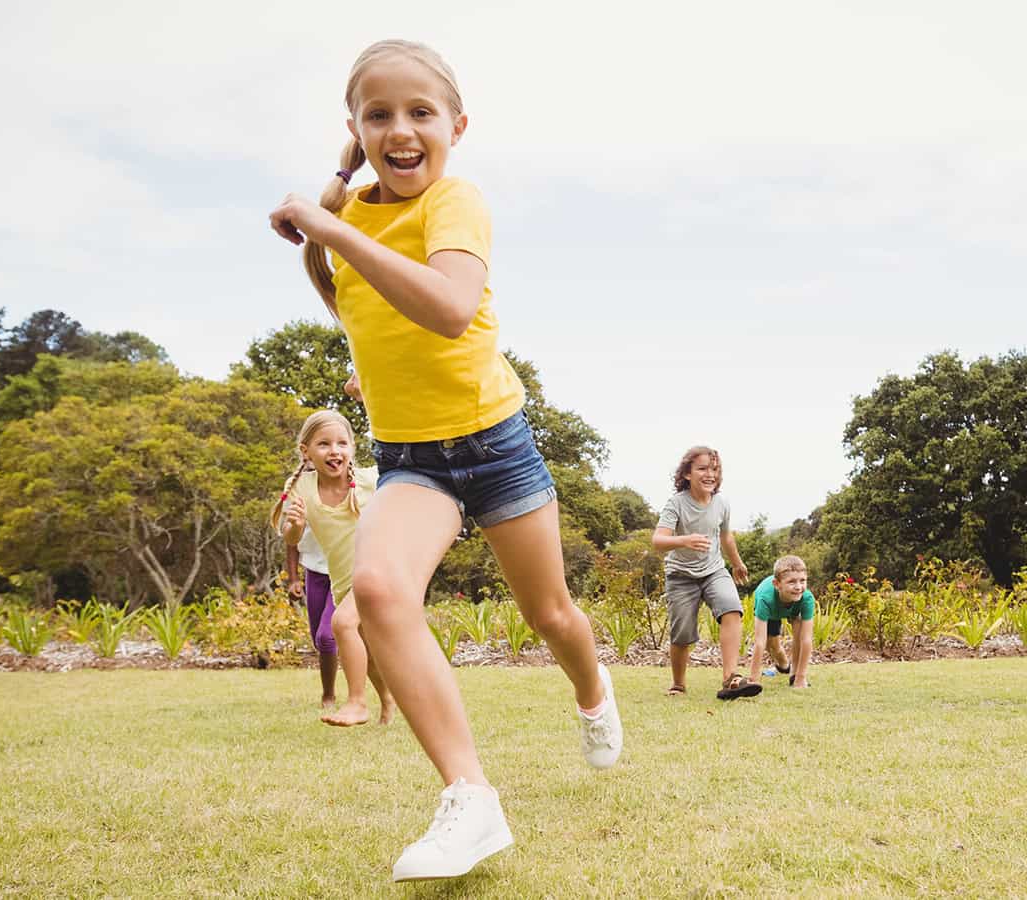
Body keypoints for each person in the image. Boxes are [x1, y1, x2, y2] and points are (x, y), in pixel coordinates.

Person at [266, 39, 621, 882]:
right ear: (353, 130)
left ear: (456, 126)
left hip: (495, 444)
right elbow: (344, 290)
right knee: (379, 592)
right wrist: (333, 199)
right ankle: (470, 797)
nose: (401, 129)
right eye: (378, 115)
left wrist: (326, 215)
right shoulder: (347, 225)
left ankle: (594, 693)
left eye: (420, 112)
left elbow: (453, 307)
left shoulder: (456, 200)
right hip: (412, 459)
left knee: (552, 617)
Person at [273, 409, 393, 726]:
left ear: (352, 448)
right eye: (324, 444)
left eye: (342, 443)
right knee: (364, 648)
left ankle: (356, 704)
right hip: (344, 579)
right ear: (306, 451)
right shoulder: (302, 487)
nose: (334, 451)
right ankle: (388, 700)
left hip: (381, 568)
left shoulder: (371, 480)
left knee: (341, 625)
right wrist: (295, 525)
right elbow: (292, 535)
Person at [652, 446, 760, 700]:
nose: (710, 474)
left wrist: (736, 562)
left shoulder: (721, 502)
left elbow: (725, 536)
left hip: (713, 570)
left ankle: (731, 678)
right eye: (702, 468)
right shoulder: (676, 503)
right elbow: (658, 540)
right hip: (681, 575)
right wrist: (684, 540)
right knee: (682, 633)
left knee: (731, 607)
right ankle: (678, 684)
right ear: (687, 474)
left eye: (714, 469)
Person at [746, 555, 814, 688]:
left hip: (794, 610)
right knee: (772, 645)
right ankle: (783, 665)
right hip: (772, 610)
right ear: (777, 584)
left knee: (799, 632)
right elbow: (759, 641)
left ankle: (794, 674)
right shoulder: (765, 598)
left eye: (802, 581)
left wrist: (801, 678)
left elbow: (806, 640)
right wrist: (753, 680)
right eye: (792, 582)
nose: (798, 587)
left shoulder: (806, 598)